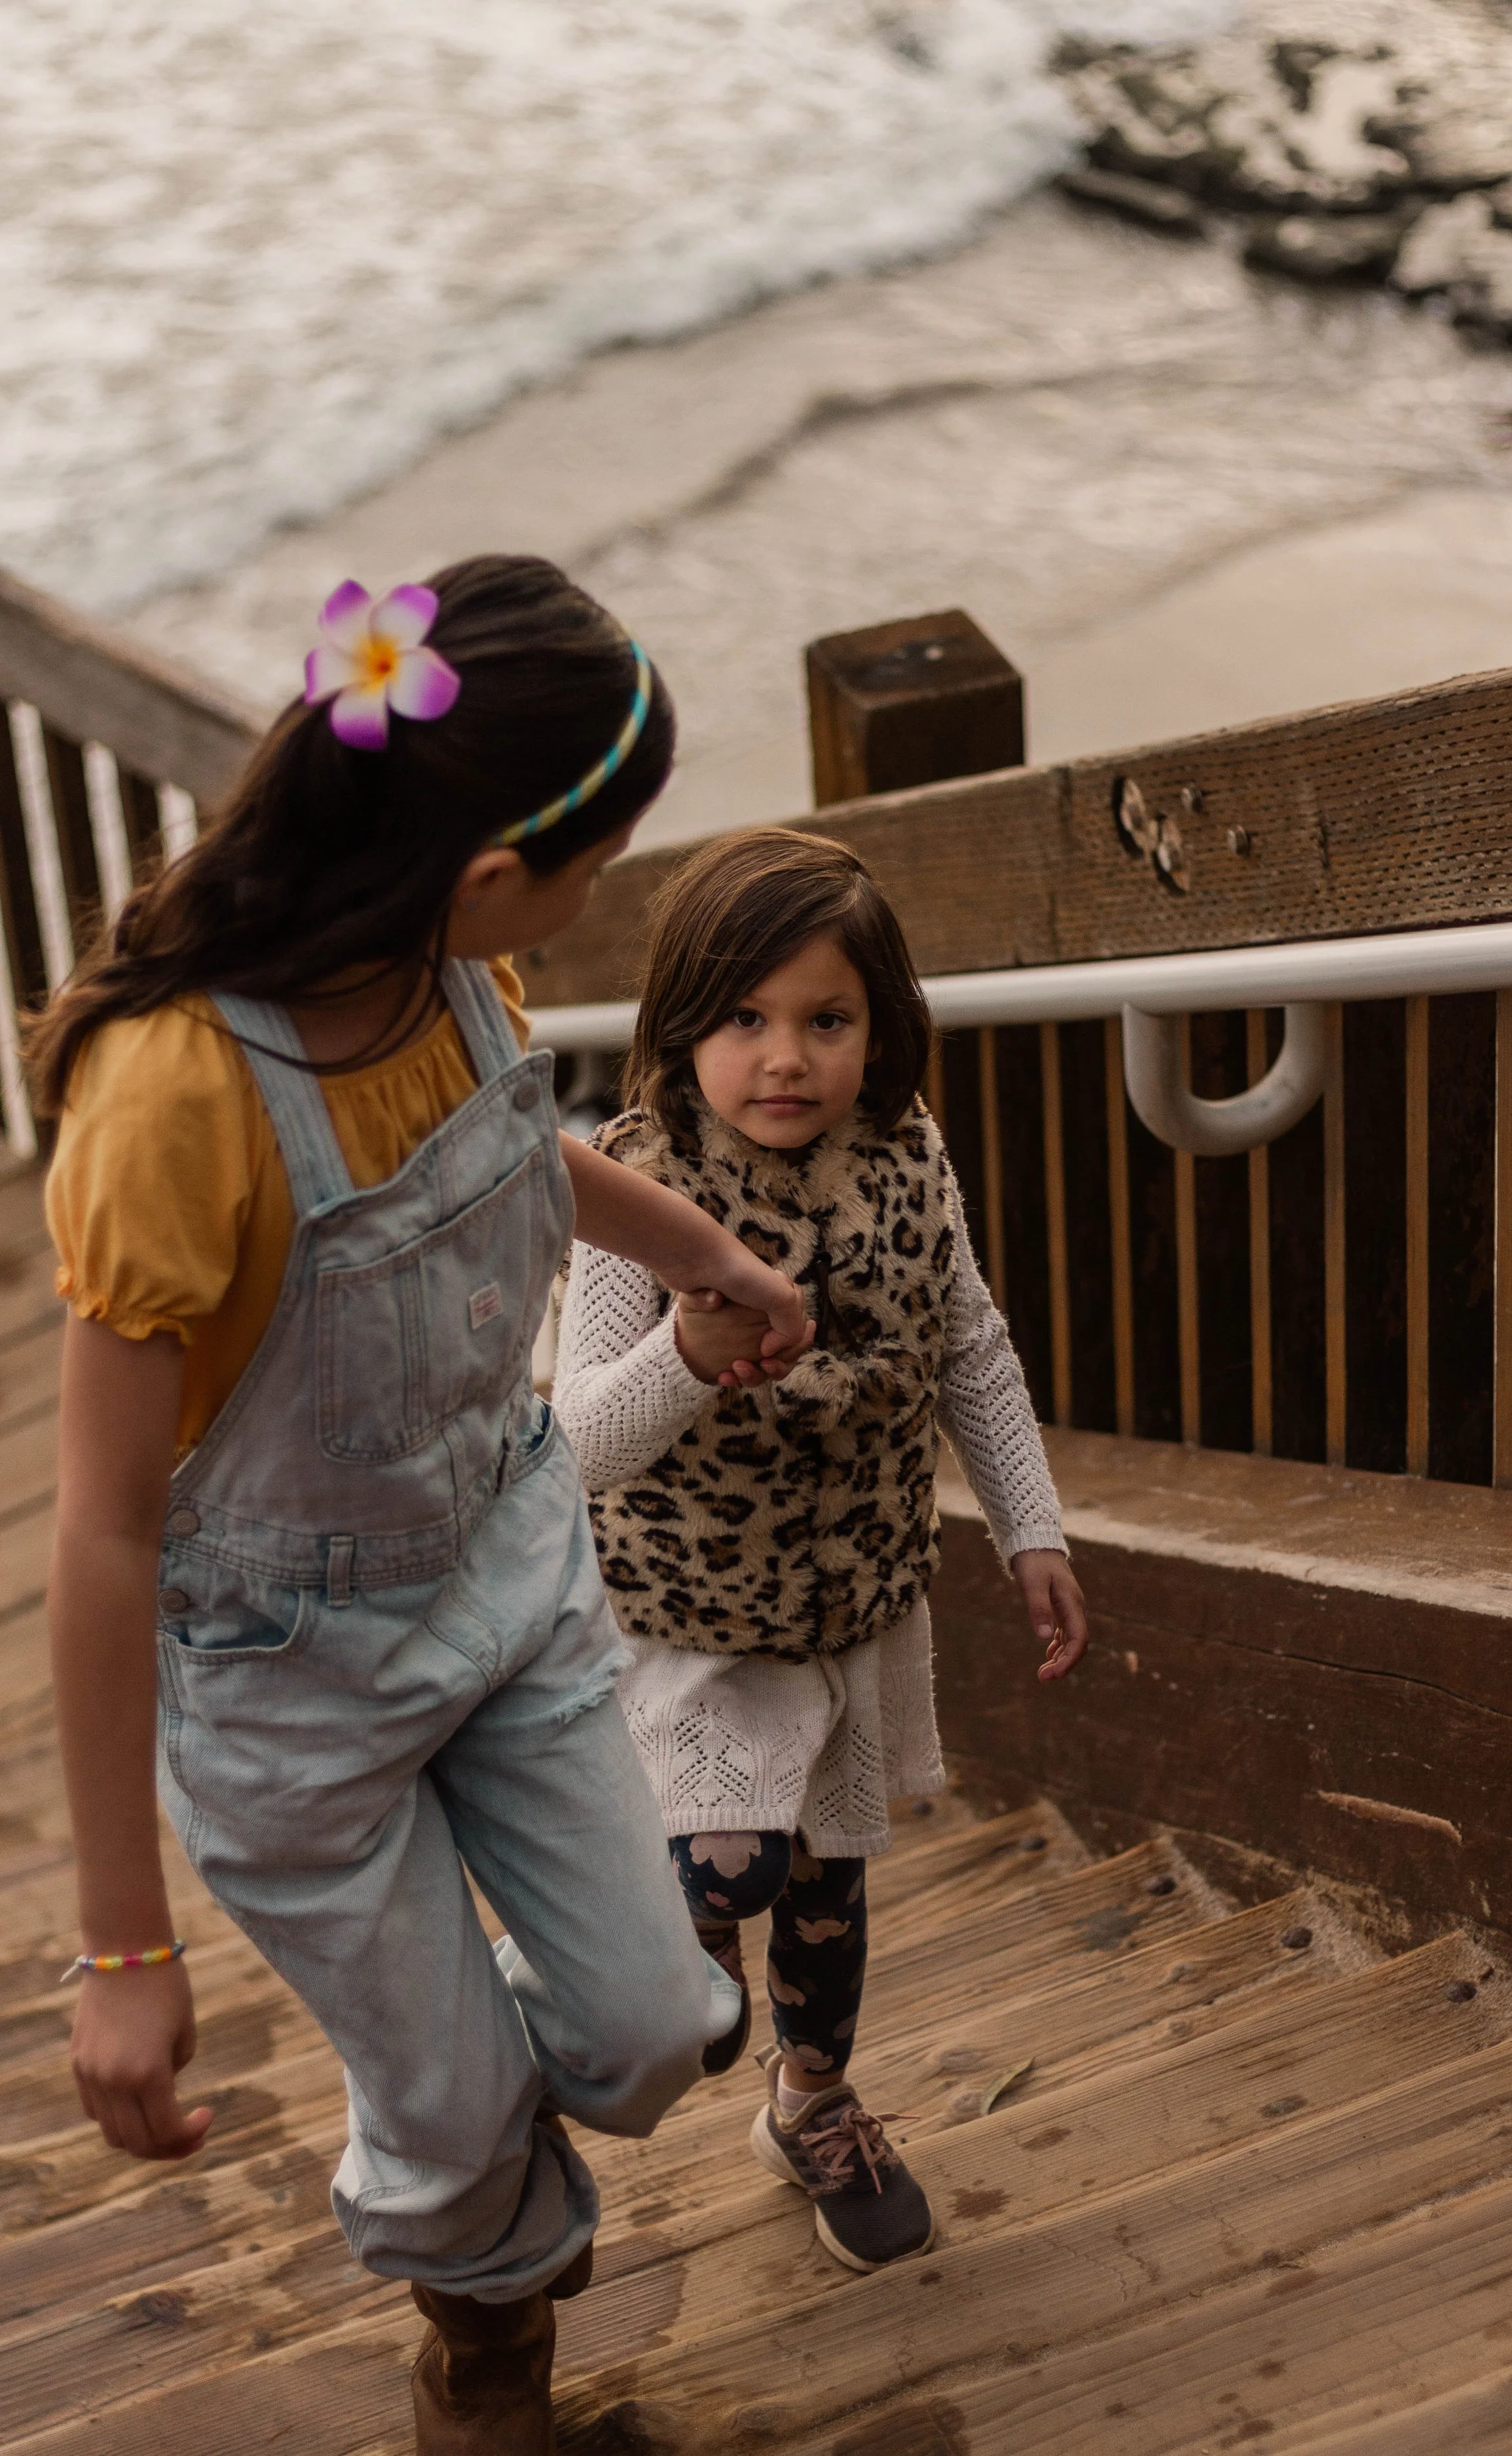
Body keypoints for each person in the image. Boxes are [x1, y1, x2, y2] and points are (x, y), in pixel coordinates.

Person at [32, 557, 813, 2456]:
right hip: (295, 1689)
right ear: (483, 869)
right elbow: (98, 1534)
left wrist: (704, 1242)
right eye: (600, 851)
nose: (609, 883)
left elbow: (503, 1143)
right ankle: (485, 2313)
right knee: (459, 2125)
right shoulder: (170, 1099)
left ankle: (474, 2141)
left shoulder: (454, 964)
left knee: (646, 2029)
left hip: (509, 1579)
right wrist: (121, 1947)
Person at [552, 828, 1088, 2276]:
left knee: (828, 1892)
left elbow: (969, 1347)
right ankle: (643, 1938)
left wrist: (1027, 1528)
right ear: (681, 1023)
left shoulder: (909, 1162)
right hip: (689, 1612)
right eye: (745, 1019)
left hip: (853, 1598)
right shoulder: (635, 1185)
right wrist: (679, 1346)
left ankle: (815, 2102)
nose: (783, 1058)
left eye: (825, 1021)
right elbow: (575, 1447)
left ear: (879, 1029)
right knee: (730, 1866)